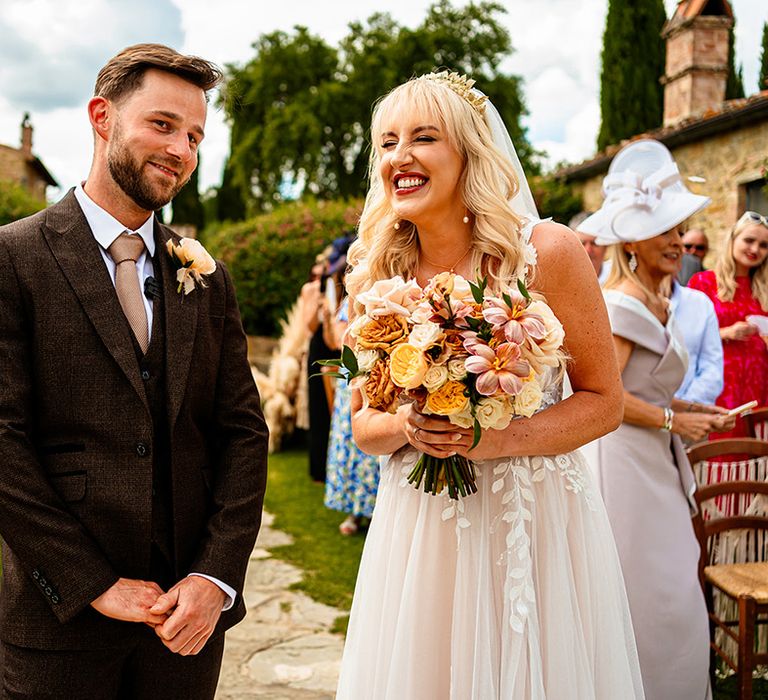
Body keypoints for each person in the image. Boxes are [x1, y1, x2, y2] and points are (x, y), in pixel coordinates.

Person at [336, 72, 644, 699]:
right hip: (421, 527)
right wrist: (407, 427)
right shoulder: (376, 274)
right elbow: (363, 426)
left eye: (424, 138)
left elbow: (604, 402)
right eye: (388, 142)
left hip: (530, 518)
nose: (401, 157)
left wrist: (492, 440)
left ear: (468, 154)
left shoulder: (547, 252)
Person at [0, 44, 268, 698]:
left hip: (183, 629)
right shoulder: (14, 258)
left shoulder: (205, 276)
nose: (181, 149)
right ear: (102, 116)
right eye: (163, 124)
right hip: (55, 627)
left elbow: (243, 433)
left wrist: (215, 578)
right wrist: (91, 582)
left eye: (196, 136)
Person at [579, 139, 734, 700]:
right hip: (624, 468)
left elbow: (646, 384)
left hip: (656, 463)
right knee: (651, 595)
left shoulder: (662, 298)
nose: (677, 243)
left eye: (678, 230)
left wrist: (692, 410)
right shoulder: (620, 305)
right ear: (633, 241)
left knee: (676, 592)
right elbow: (607, 399)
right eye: (666, 232)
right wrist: (673, 420)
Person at [688, 211, 768, 439]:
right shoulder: (704, 283)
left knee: (756, 458)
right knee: (720, 454)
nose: (755, 250)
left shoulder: (764, 289)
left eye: (763, 245)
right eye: (749, 240)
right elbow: (685, 337)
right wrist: (726, 333)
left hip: (759, 387)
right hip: (719, 386)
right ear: (733, 240)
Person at [324, 295, 380, 535]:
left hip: (379, 371)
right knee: (353, 443)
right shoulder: (353, 298)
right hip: (355, 375)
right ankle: (354, 512)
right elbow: (339, 340)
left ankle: (377, 510)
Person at [668, 270, 724, 406]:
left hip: (691, 410)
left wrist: (687, 405)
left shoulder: (700, 303)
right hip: (633, 417)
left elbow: (712, 365)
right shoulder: (618, 299)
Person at [569, 210, 611, 284]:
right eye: (581, 243)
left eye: (594, 243)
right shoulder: (563, 281)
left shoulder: (620, 279)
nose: (588, 250)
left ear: (606, 246)